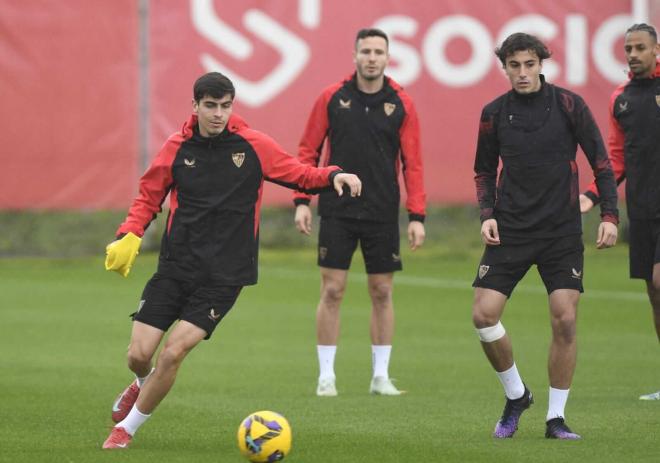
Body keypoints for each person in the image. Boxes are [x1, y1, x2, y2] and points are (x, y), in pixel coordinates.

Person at [101, 72, 362, 450]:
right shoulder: (177, 147)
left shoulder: (252, 145)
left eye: (225, 106)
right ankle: (142, 382)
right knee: (139, 355)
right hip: (176, 267)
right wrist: (130, 234)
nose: (218, 114)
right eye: (211, 106)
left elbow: (299, 173)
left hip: (224, 274)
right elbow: (148, 197)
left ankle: (126, 428)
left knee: (174, 352)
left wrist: (334, 174)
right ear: (195, 106)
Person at [472, 33, 619, 440]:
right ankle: (517, 395)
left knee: (565, 319)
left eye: (529, 64)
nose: (522, 72)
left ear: (541, 64)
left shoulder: (570, 105)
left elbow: (602, 163)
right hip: (511, 229)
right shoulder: (494, 113)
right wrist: (487, 214)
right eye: (513, 65)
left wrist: (609, 215)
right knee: (483, 315)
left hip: (560, 231)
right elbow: (484, 171)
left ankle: (556, 418)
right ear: (504, 67)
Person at [292, 28, 426, 397]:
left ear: (387, 57)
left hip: (382, 211)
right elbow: (308, 152)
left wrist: (417, 216)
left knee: (382, 290)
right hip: (337, 209)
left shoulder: (401, 102)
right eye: (365, 51)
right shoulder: (332, 97)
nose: (371, 57)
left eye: (378, 51)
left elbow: (413, 164)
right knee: (332, 290)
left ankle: (380, 376)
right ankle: (326, 377)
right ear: (354, 56)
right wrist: (302, 202)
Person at [580, 23, 660, 401]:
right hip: (643, 209)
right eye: (628, 47)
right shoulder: (621, 98)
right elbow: (615, 158)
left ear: (656, 50)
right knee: (654, 294)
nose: (632, 53)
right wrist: (592, 196)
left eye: (640, 47)